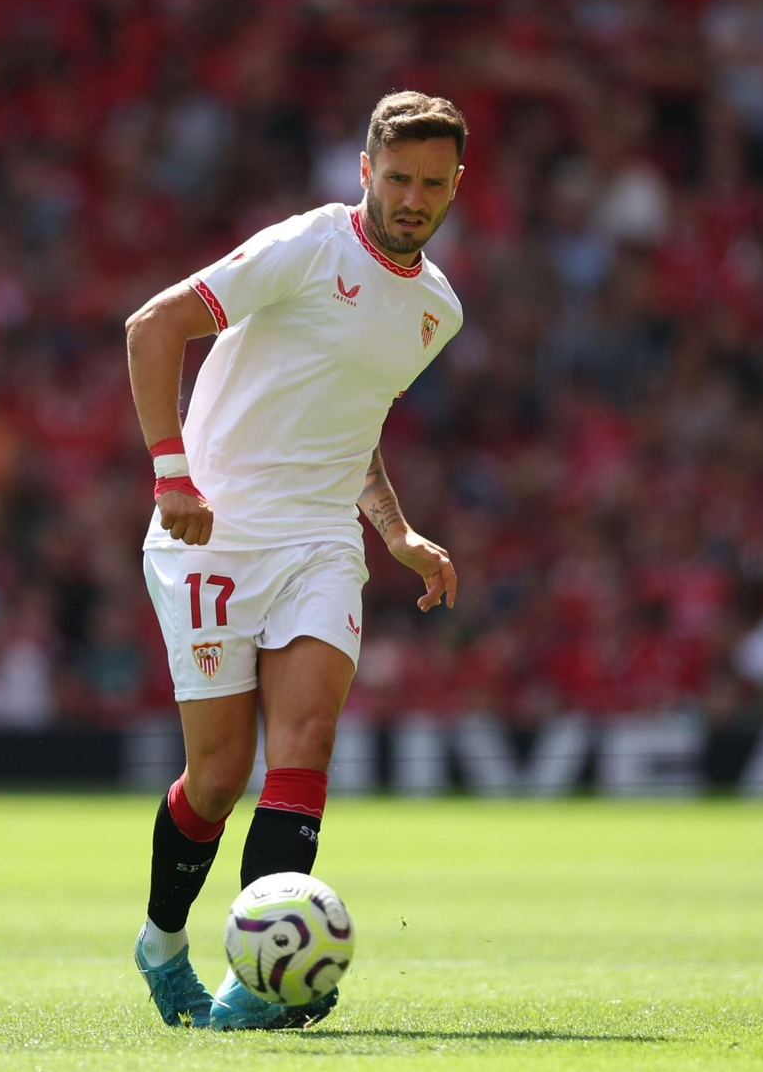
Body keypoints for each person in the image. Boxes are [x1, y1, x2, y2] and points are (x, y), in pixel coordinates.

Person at [124, 91, 466, 1030]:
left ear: (455, 187)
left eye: (432, 184)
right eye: (397, 178)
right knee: (218, 777)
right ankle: (160, 941)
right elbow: (151, 329)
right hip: (214, 534)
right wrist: (171, 479)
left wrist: (394, 533)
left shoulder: (438, 309)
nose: (412, 197)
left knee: (306, 741)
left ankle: (259, 985)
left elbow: (353, 427)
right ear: (364, 170)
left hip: (321, 539)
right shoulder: (306, 247)